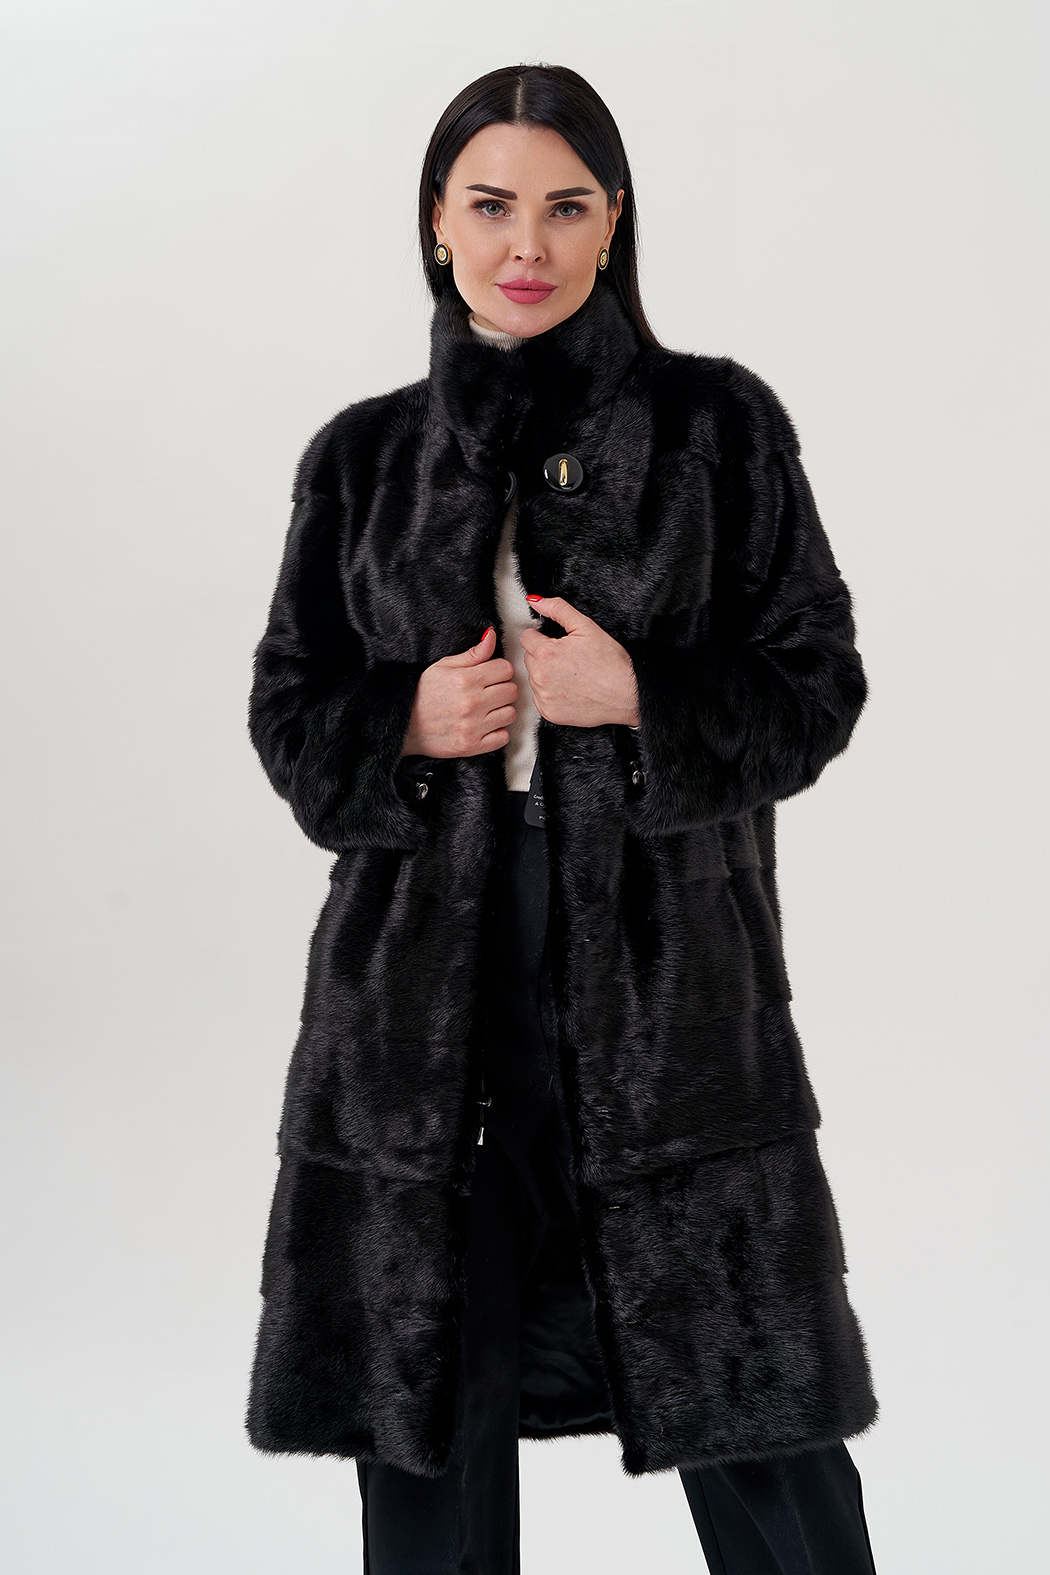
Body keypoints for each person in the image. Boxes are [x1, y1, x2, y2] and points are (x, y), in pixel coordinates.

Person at [245, 62, 879, 1575]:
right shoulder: (365, 457)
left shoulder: (717, 426)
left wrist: (643, 694)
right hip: (419, 986)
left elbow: (816, 684)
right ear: (437, 222)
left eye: (564, 205)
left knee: (748, 1390)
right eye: (490, 205)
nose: (524, 242)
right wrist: (400, 724)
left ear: (613, 221)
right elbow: (289, 713)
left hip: (668, 975)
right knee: (429, 1400)